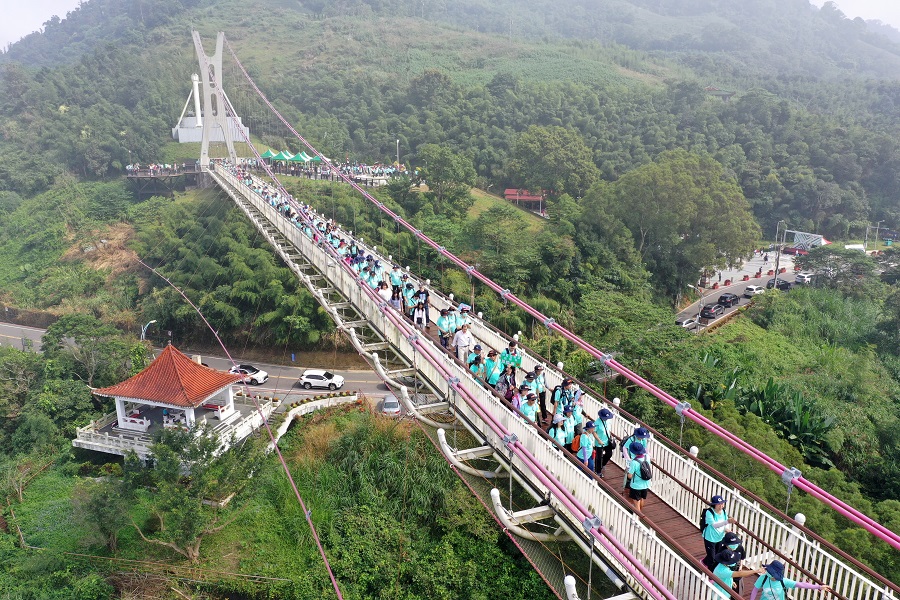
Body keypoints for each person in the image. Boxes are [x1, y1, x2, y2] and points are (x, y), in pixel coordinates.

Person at [750, 560, 831, 600]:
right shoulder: (763, 577)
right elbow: (755, 590)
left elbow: (801, 584)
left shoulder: (783, 581)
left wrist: (819, 587)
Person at [702, 495, 738, 570]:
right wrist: (727, 521)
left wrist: (726, 529)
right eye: (719, 504)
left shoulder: (724, 512)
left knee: (716, 554)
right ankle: (710, 574)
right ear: (714, 504)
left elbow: (724, 524)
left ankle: (704, 562)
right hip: (710, 537)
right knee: (712, 558)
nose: (721, 505)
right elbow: (715, 525)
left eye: (722, 503)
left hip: (720, 537)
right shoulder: (709, 512)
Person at [626, 441, 650, 512]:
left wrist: (628, 472)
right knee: (641, 499)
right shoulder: (647, 457)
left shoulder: (634, 462)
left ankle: (637, 519)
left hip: (636, 485)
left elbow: (630, 476)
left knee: (636, 502)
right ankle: (639, 512)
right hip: (646, 483)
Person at [594, 408, 615, 477]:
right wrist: (599, 440)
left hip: (607, 441)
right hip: (599, 442)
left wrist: (611, 436)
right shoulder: (597, 423)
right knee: (598, 457)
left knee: (609, 454)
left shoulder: (608, 421)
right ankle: (598, 471)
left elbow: (608, 430)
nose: (606, 418)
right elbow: (594, 432)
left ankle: (602, 464)